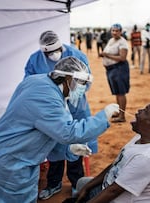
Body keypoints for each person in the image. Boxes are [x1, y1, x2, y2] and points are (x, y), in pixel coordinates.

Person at [0, 56, 120, 203]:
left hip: (1, 153)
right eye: (81, 82)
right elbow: (69, 132)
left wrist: (67, 149)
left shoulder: (39, 82)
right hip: (9, 162)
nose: (83, 88)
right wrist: (103, 116)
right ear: (66, 77)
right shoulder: (45, 96)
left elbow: (44, 128)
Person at [24, 30, 97, 200]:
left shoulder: (76, 55)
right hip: (52, 110)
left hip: (76, 107)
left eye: (56, 51)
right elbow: (29, 83)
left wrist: (72, 94)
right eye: (48, 53)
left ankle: (76, 183)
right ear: (43, 51)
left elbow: (85, 81)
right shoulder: (34, 60)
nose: (53, 55)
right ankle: (54, 183)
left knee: (75, 146)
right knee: (53, 147)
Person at [67, 101, 150, 203]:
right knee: (82, 183)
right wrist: (87, 187)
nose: (139, 110)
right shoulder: (144, 138)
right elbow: (116, 165)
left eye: (145, 111)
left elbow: (113, 191)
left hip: (117, 198)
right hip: (111, 188)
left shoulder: (146, 158)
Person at [99, 23, 130, 123]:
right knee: (117, 92)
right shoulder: (111, 40)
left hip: (119, 69)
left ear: (121, 32)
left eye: (117, 31)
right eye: (113, 30)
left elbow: (122, 57)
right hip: (111, 70)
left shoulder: (122, 42)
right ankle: (119, 112)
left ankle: (122, 116)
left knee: (121, 92)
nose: (115, 32)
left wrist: (106, 55)